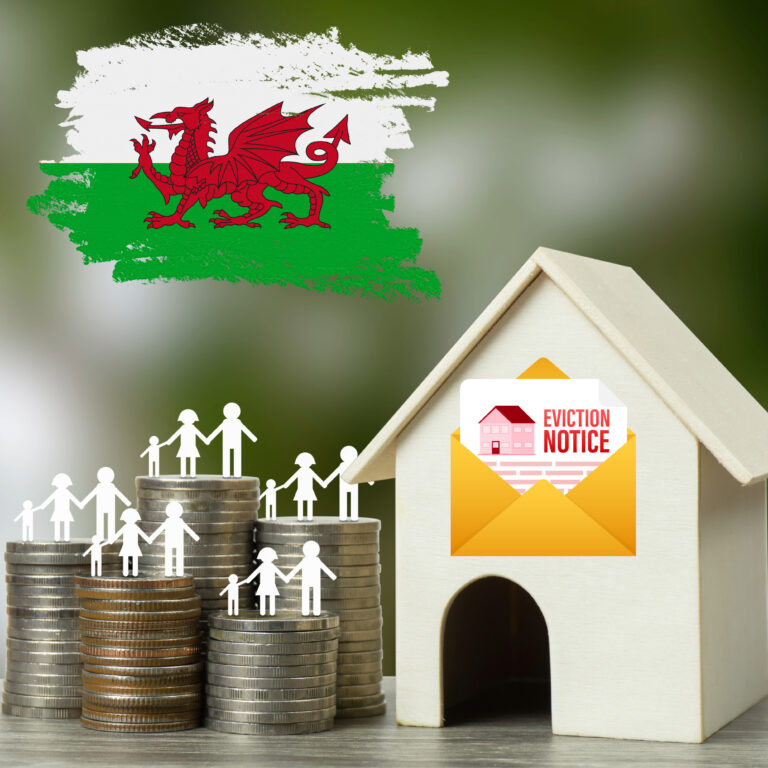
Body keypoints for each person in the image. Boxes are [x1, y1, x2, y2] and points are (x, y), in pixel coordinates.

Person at [284, 540, 336, 616]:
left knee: (315, 596)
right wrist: (288, 576)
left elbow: (324, 568)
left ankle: (315, 611)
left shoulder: (315, 560)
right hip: (309, 580)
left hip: (313, 581)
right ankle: (307, 611)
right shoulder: (306, 560)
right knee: (308, 596)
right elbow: (297, 568)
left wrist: (332, 575)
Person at [322, 445, 374, 521]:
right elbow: (335, 473)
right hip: (344, 486)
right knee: (344, 501)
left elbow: (362, 473)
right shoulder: (343, 465)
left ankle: (353, 516)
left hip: (353, 486)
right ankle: (344, 516)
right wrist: (326, 481)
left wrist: (370, 481)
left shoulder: (355, 466)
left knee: (353, 501)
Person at [148, 501, 200, 576]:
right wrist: (152, 537)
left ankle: (179, 572)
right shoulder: (168, 521)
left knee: (178, 557)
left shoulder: (179, 521)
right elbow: (160, 529)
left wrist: (195, 536)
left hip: (177, 542)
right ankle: (169, 572)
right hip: (170, 541)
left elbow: (187, 529)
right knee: (169, 556)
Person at [205, 402, 257, 478]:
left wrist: (252, 437)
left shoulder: (238, 422)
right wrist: (209, 438)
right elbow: (218, 430)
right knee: (226, 458)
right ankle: (226, 474)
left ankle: (237, 474)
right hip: (227, 443)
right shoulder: (225, 422)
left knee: (237, 458)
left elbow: (245, 430)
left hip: (236, 443)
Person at [79, 467, 131, 541]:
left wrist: (126, 502)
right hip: (101, 507)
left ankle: (111, 536)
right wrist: (83, 503)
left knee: (110, 521)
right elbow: (91, 494)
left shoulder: (111, 486)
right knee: (101, 521)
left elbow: (118, 494)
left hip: (110, 507)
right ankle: (101, 536)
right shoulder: (99, 486)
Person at [241, 547, 288, 616]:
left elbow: (279, 573)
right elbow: (255, 573)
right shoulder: (262, 566)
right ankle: (262, 612)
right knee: (263, 597)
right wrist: (249, 579)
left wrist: (284, 578)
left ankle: (272, 612)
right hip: (263, 585)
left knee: (271, 597)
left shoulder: (271, 566)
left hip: (271, 584)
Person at [36, 473, 83, 542]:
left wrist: (79, 504)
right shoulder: (57, 492)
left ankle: (66, 538)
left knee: (66, 524)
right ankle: (57, 537)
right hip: (58, 511)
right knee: (57, 524)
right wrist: (43, 505)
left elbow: (73, 499)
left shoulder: (66, 492)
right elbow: (49, 499)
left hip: (66, 511)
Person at [162, 409, 210, 477]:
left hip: (192, 447)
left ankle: (192, 474)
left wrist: (205, 440)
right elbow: (175, 435)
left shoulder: (193, 428)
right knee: (183, 460)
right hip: (184, 447)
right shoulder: (183, 428)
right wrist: (169, 441)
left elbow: (200, 435)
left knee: (192, 460)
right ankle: (183, 474)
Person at [281, 452, 327, 520]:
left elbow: (317, 478)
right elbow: (292, 478)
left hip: (309, 490)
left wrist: (322, 483)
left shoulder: (310, 471)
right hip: (301, 490)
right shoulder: (300, 471)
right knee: (300, 503)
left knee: (309, 503)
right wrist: (286, 484)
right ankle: (300, 517)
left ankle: (309, 517)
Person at [109, 508, 152, 577]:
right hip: (127, 545)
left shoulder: (135, 527)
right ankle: (126, 572)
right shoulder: (126, 527)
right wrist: (112, 539)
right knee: (126, 558)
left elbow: (142, 534)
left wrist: (148, 539)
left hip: (133, 545)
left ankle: (134, 572)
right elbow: (118, 534)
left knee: (134, 558)